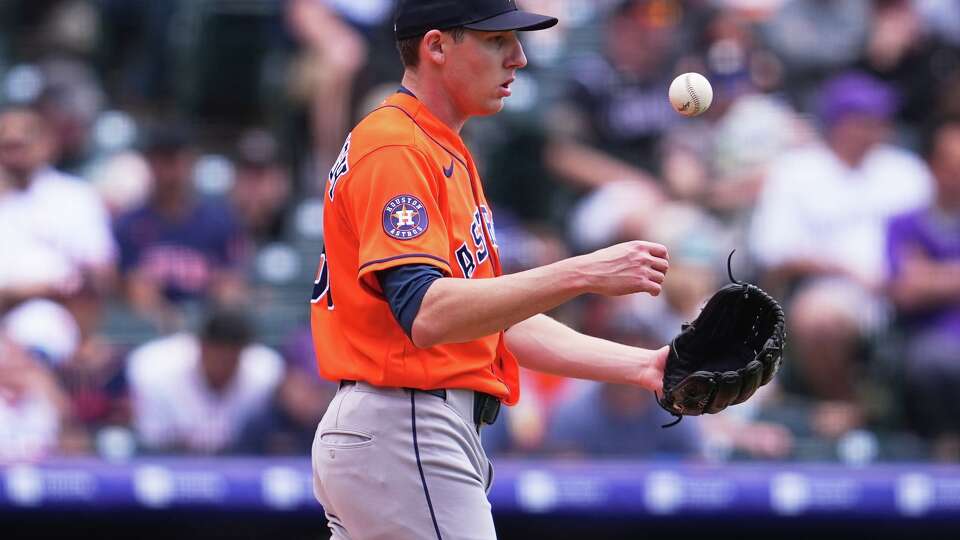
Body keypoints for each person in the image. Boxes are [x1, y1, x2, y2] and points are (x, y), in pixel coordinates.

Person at [309, 2, 670, 538]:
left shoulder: (437, 147)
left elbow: (497, 320)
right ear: (435, 47)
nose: (519, 58)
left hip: (401, 429)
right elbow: (426, 313)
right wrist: (581, 273)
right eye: (496, 41)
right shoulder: (397, 146)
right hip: (405, 423)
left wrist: (645, 367)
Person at [886, 119, 960, 460]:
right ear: (933, 166)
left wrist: (930, 275)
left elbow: (919, 280)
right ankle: (944, 446)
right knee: (934, 361)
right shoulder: (904, 222)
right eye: (952, 165)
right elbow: (906, 291)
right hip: (927, 338)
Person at [126, 308, 283, 454]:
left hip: (238, 461)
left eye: (232, 357)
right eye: (218, 355)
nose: (223, 364)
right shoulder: (156, 367)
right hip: (169, 460)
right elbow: (150, 441)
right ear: (201, 347)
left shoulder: (265, 372)